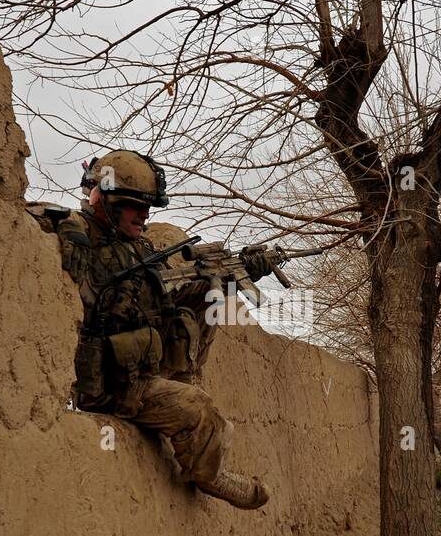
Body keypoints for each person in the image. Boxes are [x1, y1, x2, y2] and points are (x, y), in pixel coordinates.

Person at [39, 149, 272, 509]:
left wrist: (239, 272)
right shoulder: (78, 230)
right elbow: (16, 212)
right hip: (109, 383)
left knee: (205, 303)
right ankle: (207, 474)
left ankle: (185, 381)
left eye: (149, 206)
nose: (145, 215)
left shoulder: (137, 247)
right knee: (197, 409)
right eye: (135, 205)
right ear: (107, 200)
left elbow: (171, 297)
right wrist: (62, 222)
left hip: (139, 365)